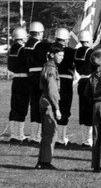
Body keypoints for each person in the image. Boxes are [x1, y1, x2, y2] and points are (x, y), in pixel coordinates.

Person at [35, 42, 64, 170]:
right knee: (50, 132)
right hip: (49, 102)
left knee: (46, 132)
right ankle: (45, 162)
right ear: (52, 55)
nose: (61, 57)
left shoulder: (48, 67)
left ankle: (42, 161)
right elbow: (52, 90)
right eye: (59, 55)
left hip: (45, 99)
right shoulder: (51, 69)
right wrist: (57, 108)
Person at [25, 21, 49, 143]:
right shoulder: (39, 45)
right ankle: (37, 135)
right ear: (39, 33)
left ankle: (33, 135)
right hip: (39, 76)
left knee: (33, 105)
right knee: (41, 105)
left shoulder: (26, 44)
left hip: (29, 76)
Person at [7, 27, 29, 143]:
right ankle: (20, 135)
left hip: (15, 80)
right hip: (24, 80)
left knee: (14, 106)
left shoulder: (11, 49)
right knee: (22, 106)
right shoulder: (23, 49)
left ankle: (13, 134)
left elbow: (10, 66)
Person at [74, 30, 95, 147]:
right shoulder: (91, 52)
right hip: (89, 81)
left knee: (82, 109)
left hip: (81, 81)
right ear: (87, 40)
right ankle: (89, 139)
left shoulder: (77, 52)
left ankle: (84, 138)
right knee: (90, 109)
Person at [54, 27, 74, 146]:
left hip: (53, 79)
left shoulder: (51, 49)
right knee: (64, 108)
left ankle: (54, 135)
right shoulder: (71, 51)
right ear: (66, 40)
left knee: (54, 107)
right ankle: (61, 138)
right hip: (66, 81)